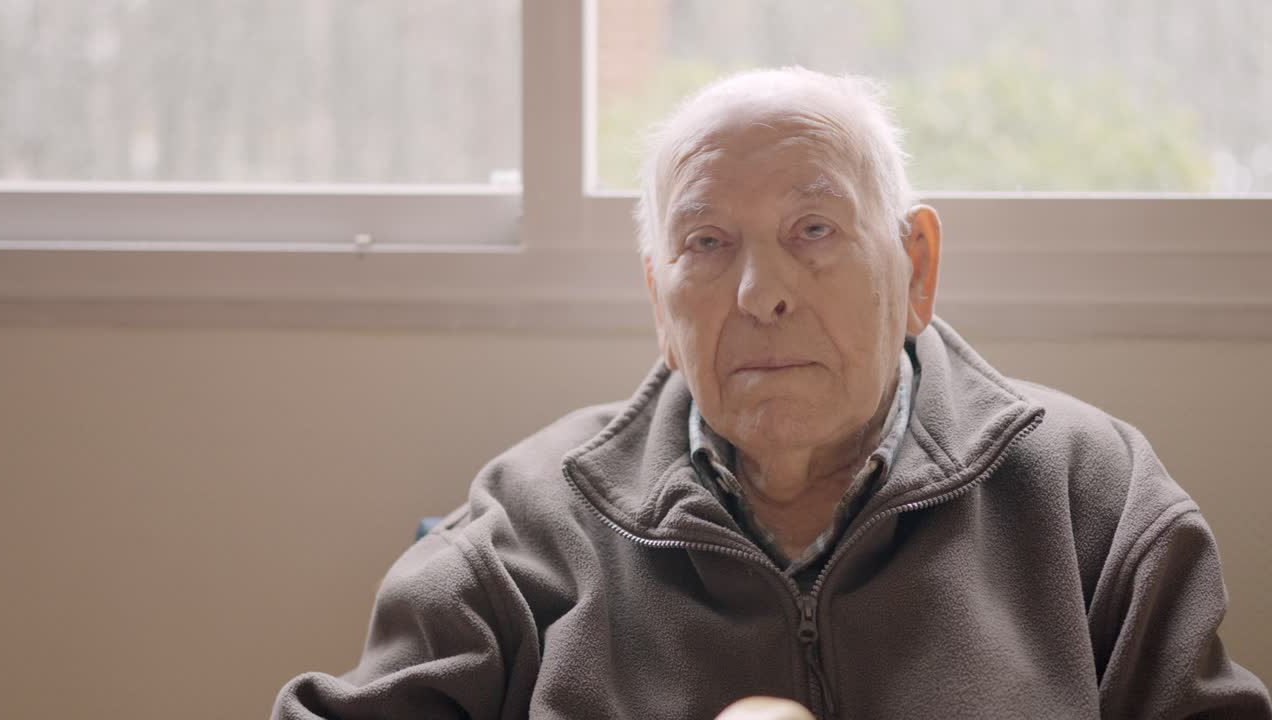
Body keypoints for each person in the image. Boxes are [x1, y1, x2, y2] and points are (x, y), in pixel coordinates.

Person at [272, 67, 1271, 719]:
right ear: (660, 302)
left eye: (813, 231)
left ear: (915, 268)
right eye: (707, 243)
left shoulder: (1092, 499)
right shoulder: (526, 523)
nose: (761, 294)